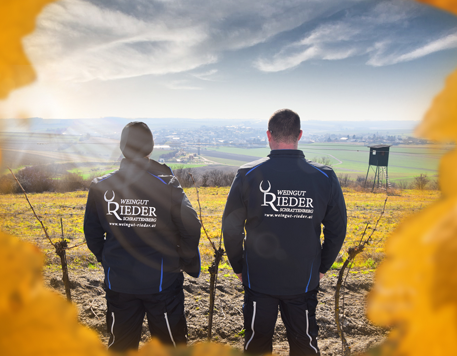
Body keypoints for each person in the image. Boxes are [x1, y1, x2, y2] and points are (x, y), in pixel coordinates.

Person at [222, 109, 347, 356]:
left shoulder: (247, 174)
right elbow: (337, 229)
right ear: (300, 135)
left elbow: (231, 227)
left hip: (258, 277)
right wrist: (321, 267)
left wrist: (238, 267)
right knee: (304, 345)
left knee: (256, 345)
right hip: (303, 278)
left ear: (268, 136)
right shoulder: (325, 176)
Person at [84, 122, 201, 351]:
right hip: (162, 283)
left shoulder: (101, 186)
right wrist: (183, 260)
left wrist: (109, 260)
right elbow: (191, 227)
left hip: (119, 282)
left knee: (121, 346)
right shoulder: (167, 184)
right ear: (151, 147)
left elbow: (92, 233)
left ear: (122, 147)